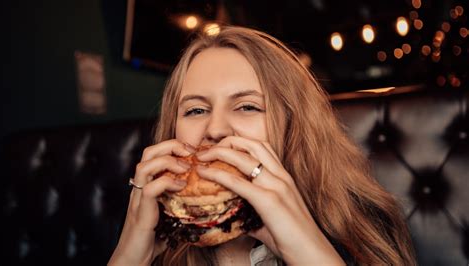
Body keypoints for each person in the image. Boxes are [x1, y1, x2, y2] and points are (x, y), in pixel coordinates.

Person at [108, 26, 416, 265]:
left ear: (294, 124)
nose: (215, 129)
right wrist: (128, 258)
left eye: (247, 107)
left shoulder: (366, 225)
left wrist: (310, 252)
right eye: (196, 110)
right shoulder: (156, 241)